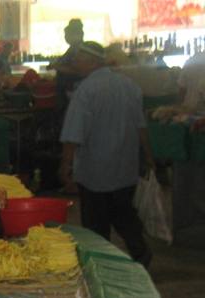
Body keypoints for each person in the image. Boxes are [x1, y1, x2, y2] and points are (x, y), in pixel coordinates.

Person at [59, 42, 154, 266]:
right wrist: (148, 156)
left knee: (96, 223)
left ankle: (102, 265)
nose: (74, 63)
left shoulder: (85, 90)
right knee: (123, 214)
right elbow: (141, 126)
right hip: (124, 166)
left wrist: (65, 165)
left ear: (93, 61)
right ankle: (140, 252)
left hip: (94, 170)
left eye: (78, 58)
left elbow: (73, 133)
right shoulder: (129, 86)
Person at [50, 18, 85, 110]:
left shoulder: (79, 50)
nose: (65, 37)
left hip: (73, 92)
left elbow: (77, 69)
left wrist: (56, 66)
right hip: (66, 91)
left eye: (67, 35)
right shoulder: (72, 49)